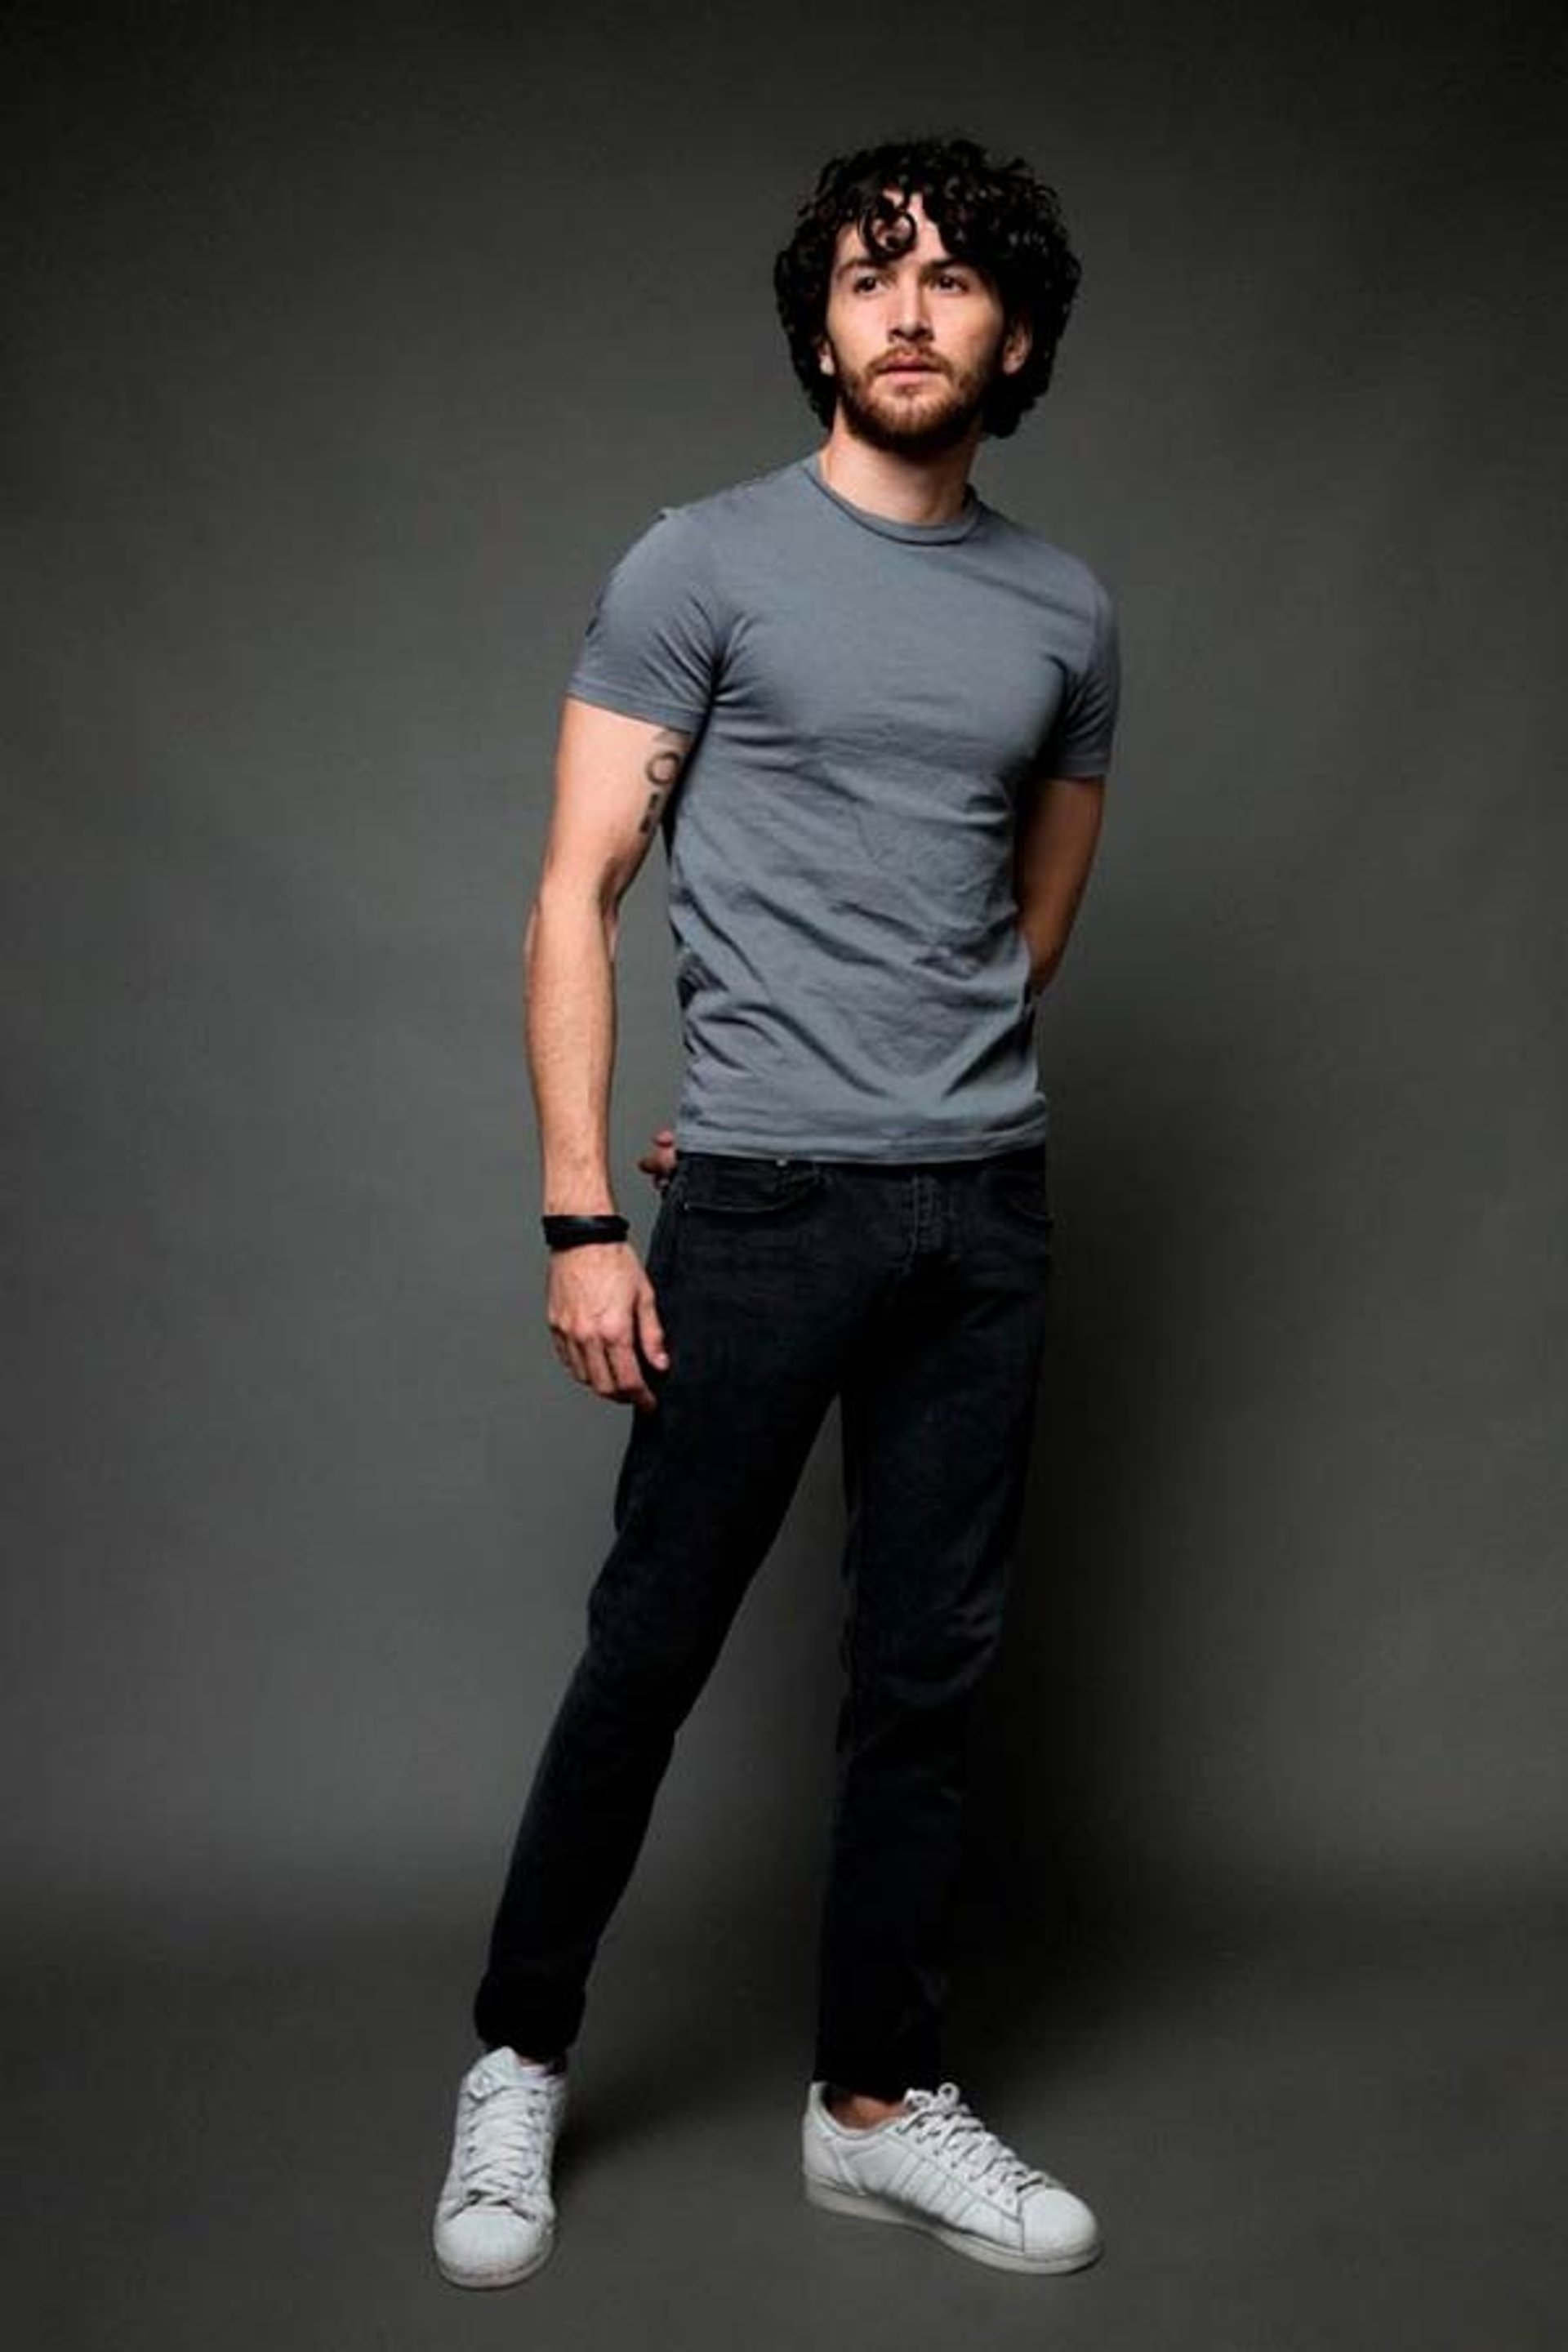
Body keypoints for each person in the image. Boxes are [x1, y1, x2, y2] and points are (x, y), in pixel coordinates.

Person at [433, 130, 1122, 2287]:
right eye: (866, 275)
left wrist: (900, 1066)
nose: (908, 309)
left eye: (952, 279)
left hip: (982, 1218)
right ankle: (516, 2063)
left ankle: (877, 2105)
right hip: (759, 1216)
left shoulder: (1068, 615)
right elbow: (576, 893)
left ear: (1018, 338)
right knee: (649, 1654)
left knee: (929, 1680)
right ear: (819, 328)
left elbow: (1022, 928)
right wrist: (584, 1218)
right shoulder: (699, 565)